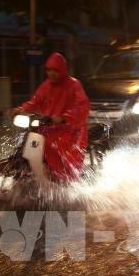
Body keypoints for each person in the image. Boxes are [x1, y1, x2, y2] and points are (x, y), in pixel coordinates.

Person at [10, 52, 90, 182]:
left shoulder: (74, 85)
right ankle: (34, 172)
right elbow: (36, 101)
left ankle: (62, 178)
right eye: (49, 70)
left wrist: (64, 117)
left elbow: (83, 107)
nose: (52, 73)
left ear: (63, 70)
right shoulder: (46, 85)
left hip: (71, 129)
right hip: (49, 126)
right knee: (26, 139)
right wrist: (21, 109)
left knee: (50, 146)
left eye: (55, 70)